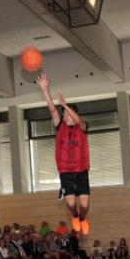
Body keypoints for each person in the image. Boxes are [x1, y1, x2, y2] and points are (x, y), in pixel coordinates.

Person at [37, 73, 91, 234]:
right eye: (64, 114)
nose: (65, 116)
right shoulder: (60, 127)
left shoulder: (82, 127)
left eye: (67, 114)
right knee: (71, 204)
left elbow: (78, 120)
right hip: (66, 172)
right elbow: (52, 109)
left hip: (81, 171)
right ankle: (75, 216)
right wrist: (45, 90)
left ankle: (82, 219)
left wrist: (66, 106)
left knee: (85, 205)